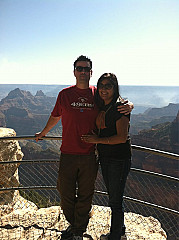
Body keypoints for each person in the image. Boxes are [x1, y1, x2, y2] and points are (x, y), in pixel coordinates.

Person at [35, 56, 133, 240]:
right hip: (67, 153)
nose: (82, 72)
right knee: (65, 191)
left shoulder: (97, 93)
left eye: (86, 69)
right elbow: (56, 116)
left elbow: (115, 101)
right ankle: (74, 223)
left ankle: (79, 230)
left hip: (90, 155)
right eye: (79, 68)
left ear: (90, 72)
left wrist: (129, 105)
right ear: (74, 72)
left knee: (86, 194)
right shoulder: (64, 94)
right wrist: (43, 132)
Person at [81, 73, 131, 240]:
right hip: (106, 157)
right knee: (114, 195)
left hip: (119, 158)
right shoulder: (101, 104)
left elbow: (122, 137)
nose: (103, 89)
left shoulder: (120, 108)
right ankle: (120, 229)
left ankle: (115, 236)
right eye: (101, 85)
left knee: (115, 199)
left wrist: (97, 140)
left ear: (115, 88)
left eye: (108, 86)